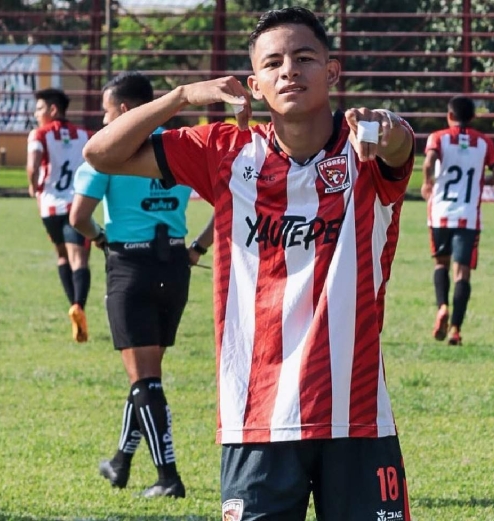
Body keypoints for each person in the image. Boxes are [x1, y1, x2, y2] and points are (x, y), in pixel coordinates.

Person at [83, 7, 414, 520]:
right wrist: (181, 97)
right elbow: (101, 154)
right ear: (255, 83)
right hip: (254, 415)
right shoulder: (224, 149)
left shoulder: (364, 151)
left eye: (304, 58)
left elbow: (399, 144)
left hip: (357, 417)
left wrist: (388, 127)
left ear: (332, 70)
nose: (289, 71)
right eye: (274, 62)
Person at [69, 71, 206, 498]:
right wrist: (198, 247)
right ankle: (121, 462)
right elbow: (230, 200)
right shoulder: (183, 145)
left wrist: (100, 239)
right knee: (147, 374)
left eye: (107, 111)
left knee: (145, 379)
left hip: (130, 264)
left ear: (125, 110)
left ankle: (168, 479)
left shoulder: (108, 152)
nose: (104, 120)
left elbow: (78, 218)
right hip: (175, 265)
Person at [420, 96, 494, 346]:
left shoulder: (438, 137)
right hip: (468, 215)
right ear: (473, 117)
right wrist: (483, 182)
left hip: (440, 211)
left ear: (449, 115)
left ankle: (442, 306)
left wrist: (427, 182)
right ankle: (455, 328)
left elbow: (429, 161)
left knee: (440, 264)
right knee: (462, 273)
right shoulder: (484, 142)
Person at [27, 88, 91, 342]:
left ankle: (73, 307)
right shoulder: (86, 134)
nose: (36, 115)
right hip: (76, 205)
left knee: (62, 257)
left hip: (49, 207)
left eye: (39, 109)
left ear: (53, 110)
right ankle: (78, 306)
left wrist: (33, 186)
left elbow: (33, 164)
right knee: (80, 260)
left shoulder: (39, 134)